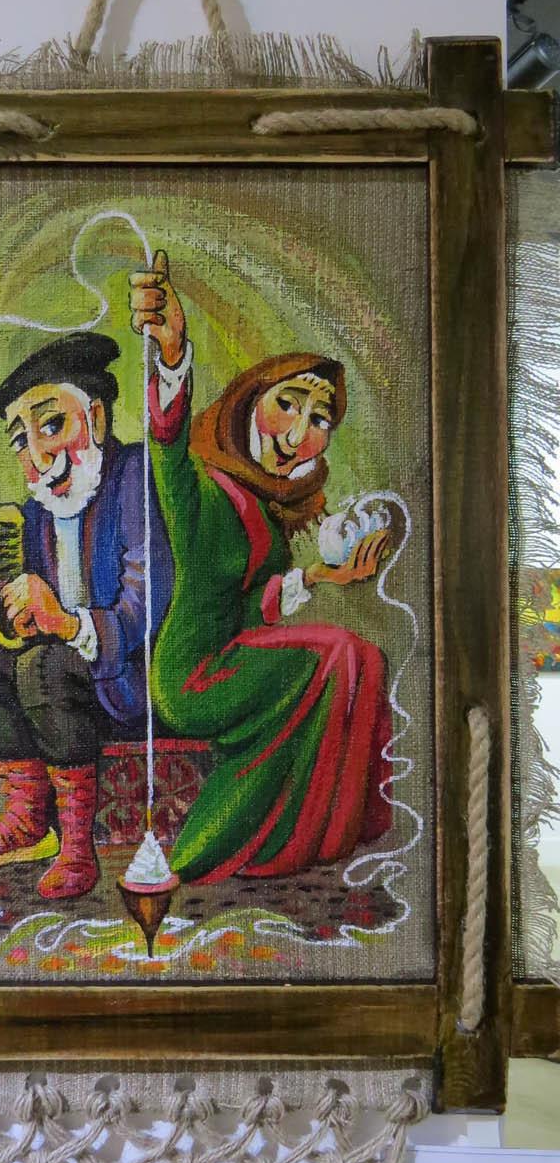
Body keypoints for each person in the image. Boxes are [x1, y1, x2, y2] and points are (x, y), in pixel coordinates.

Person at [129, 252, 393, 884]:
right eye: (289, 404)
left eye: (319, 419)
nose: (299, 433)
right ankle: (201, 854)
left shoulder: (271, 520)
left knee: (363, 656)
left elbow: (250, 607)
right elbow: (166, 444)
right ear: (249, 404)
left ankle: (325, 830)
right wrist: (172, 354)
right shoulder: (198, 489)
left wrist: (323, 578)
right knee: (336, 652)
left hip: (237, 656)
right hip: (192, 677)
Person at [0, 330, 173, 897]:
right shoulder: (36, 515)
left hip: (133, 680)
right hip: (61, 679)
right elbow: (26, 628)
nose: (37, 455)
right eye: (21, 440)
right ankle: (28, 824)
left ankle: (76, 846)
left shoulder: (134, 477)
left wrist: (66, 624)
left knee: (44, 666)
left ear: (96, 417)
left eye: (51, 425)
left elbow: (146, 604)